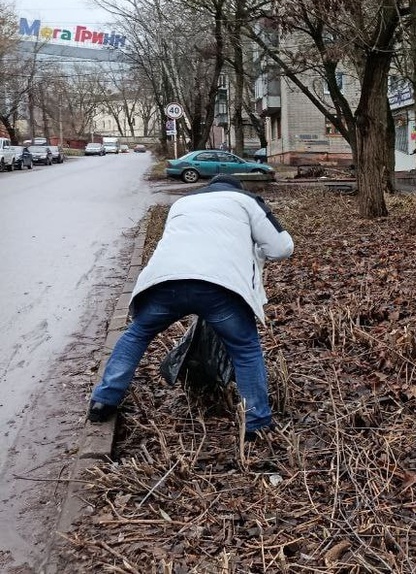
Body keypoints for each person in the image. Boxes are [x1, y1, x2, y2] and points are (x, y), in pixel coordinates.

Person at [87, 175, 294, 439]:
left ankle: (103, 401)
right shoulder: (246, 201)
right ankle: (257, 422)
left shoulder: (182, 203)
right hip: (219, 288)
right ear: (237, 188)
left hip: (165, 283)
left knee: (136, 334)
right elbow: (282, 248)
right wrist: (253, 251)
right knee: (245, 349)